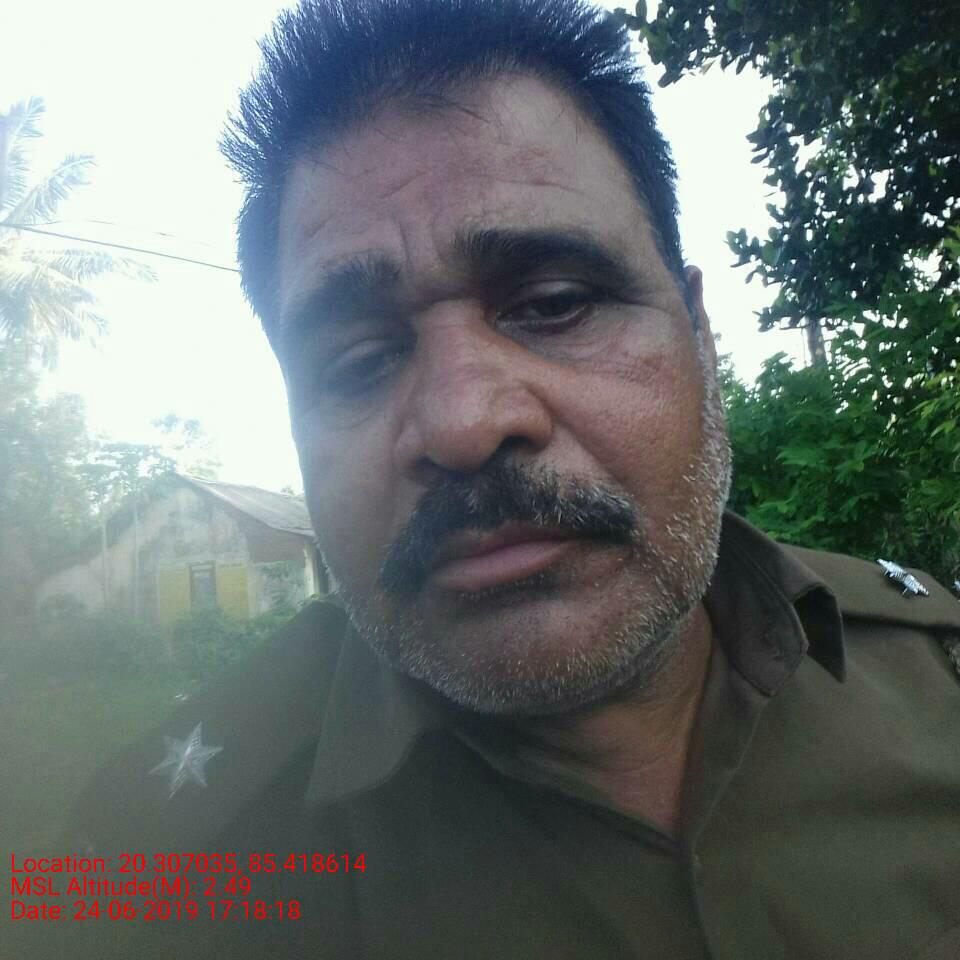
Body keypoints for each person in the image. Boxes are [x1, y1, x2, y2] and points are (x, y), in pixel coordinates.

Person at [55, 1, 960, 957]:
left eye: (555, 303)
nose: (463, 424)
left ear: (699, 334)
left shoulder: (936, 676)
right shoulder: (167, 885)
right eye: (359, 363)